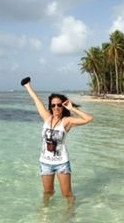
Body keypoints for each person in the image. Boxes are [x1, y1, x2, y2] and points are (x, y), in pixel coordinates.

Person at [21, 77, 93, 206]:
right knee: (47, 193)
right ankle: (45, 215)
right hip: (45, 163)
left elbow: (88, 119)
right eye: (53, 105)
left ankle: (70, 216)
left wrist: (72, 108)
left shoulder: (67, 121)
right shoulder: (46, 118)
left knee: (67, 194)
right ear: (50, 107)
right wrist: (28, 86)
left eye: (59, 105)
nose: (56, 107)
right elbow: (36, 100)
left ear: (63, 106)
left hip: (61, 163)